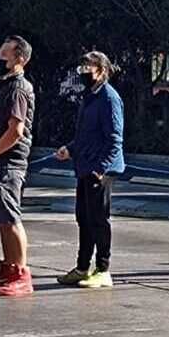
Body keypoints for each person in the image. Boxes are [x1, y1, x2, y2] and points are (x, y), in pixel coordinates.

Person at [55, 51, 125, 288]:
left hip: (99, 170)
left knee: (98, 219)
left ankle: (103, 269)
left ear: (102, 71)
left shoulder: (109, 98)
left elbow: (114, 139)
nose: (84, 72)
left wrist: (101, 169)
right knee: (83, 218)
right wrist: (70, 149)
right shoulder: (89, 96)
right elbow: (86, 135)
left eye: (89, 68)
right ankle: (82, 267)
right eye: (81, 68)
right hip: (84, 166)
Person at [0, 35, 37, 297]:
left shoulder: (18, 88)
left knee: (11, 218)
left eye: (5, 56)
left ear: (20, 59)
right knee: (1, 218)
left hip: (8, 164)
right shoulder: (5, 86)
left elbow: (16, 129)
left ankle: (22, 274)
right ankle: (9, 268)